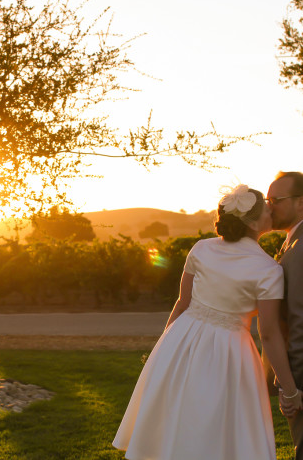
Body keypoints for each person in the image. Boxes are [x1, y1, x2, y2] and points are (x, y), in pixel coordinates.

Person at [112, 184, 302, 460]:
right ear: (252, 221)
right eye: (266, 208)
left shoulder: (201, 249)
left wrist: (163, 349)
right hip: (229, 351)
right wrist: (290, 389)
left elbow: (182, 303)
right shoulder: (268, 270)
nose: (271, 210)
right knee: (217, 426)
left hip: (182, 340)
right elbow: (269, 334)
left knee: (178, 417)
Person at [266, 172, 303, 459]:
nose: (269, 207)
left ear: (300, 203)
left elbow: (298, 318)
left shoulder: (301, 248)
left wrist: (292, 384)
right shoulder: (292, 242)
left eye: (276, 200)